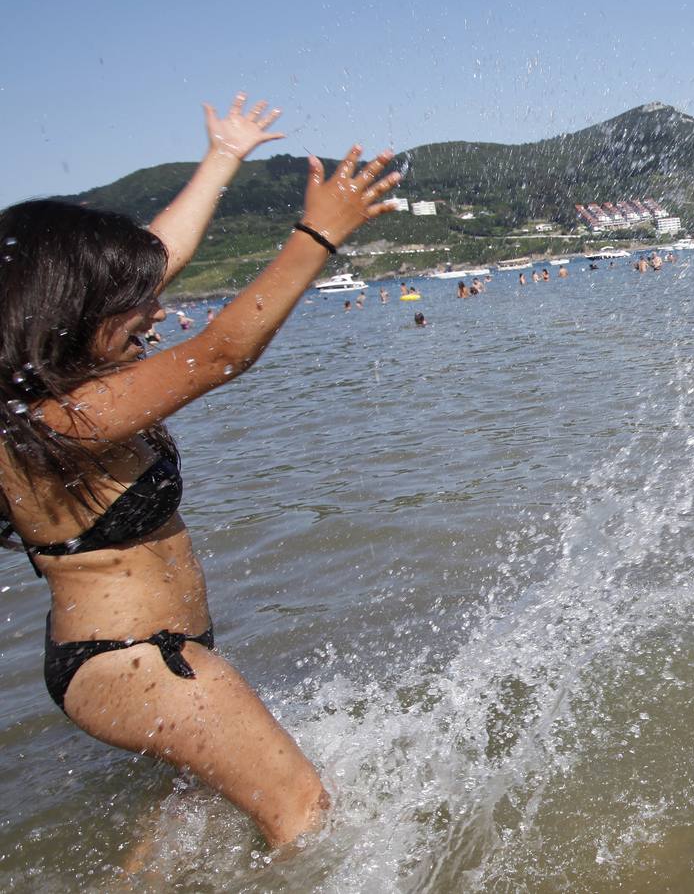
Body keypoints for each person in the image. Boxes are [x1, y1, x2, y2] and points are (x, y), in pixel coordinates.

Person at [0, 94, 399, 850]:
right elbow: (220, 352)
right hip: (131, 664)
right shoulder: (62, 421)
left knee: (185, 831)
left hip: (152, 656)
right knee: (304, 816)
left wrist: (223, 157)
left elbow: (158, 258)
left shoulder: (54, 393)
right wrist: (318, 235)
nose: (155, 311)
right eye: (136, 305)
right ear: (70, 310)